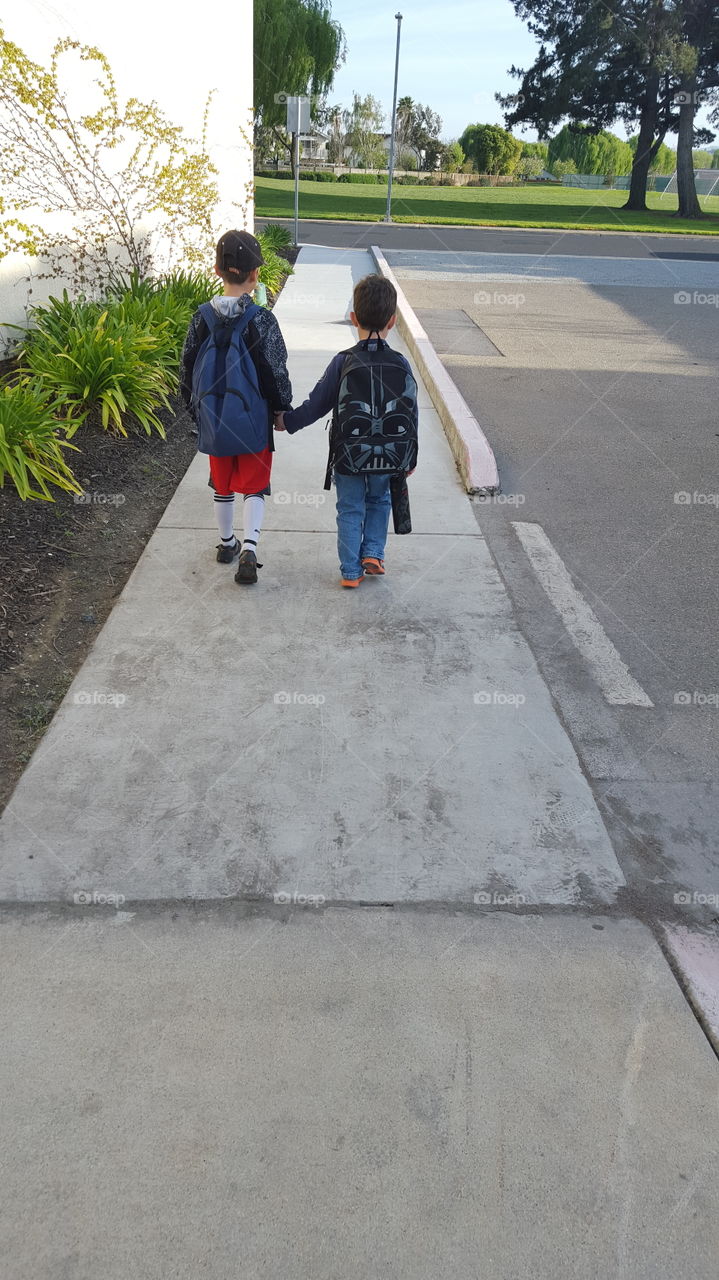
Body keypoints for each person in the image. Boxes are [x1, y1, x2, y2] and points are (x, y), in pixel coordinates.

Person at [275, 274, 418, 587]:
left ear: (353, 318)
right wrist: (409, 457)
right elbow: (411, 412)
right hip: (389, 453)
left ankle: (350, 573)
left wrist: (288, 421)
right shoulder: (401, 364)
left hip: (349, 454)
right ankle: (374, 554)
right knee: (380, 501)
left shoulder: (343, 362)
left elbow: (318, 404)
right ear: (393, 321)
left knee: (350, 507)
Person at [180, 230, 292, 584]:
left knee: (222, 483)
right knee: (255, 485)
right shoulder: (261, 320)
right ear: (256, 274)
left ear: (217, 269)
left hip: (215, 417)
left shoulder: (201, 318)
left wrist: (196, 411)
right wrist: (280, 409)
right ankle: (250, 547)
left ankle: (226, 543)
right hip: (253, 419)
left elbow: (186, 368)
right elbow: (275, 370)